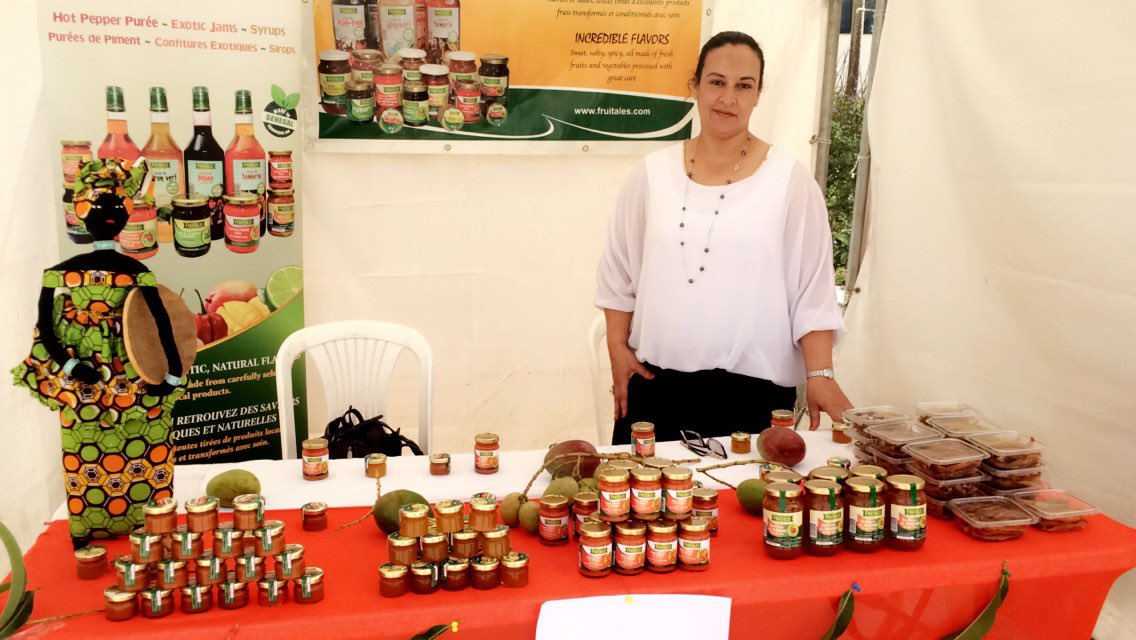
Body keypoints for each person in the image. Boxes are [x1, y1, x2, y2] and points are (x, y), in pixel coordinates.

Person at [595, 31, 853, 445]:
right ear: (694, 86)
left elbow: (813, 289)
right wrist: (616, 348)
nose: (728, 98)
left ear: (757, 94)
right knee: (645, 506)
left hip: (755, 397)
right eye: (716, 82)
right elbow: (618, 274)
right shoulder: (650, 174)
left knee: (750, 505)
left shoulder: (789, 179)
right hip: (656, 389)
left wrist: (820, 374)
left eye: (743, 86)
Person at [11, 158, 185, 548]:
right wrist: (71, 365)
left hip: (130, 370)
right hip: (92, 379)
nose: (110, 215)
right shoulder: (70, 274)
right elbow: (47, 331)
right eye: (103, 208)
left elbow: (160, 324)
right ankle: (86, 527)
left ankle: (153, 521)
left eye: (117, 208)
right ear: (81, 211)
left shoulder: (128, 274)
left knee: (147, 444)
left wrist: (171, 373)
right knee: (86, 445)